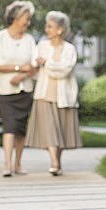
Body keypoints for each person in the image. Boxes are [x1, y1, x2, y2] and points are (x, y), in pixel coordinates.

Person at [0, 1, 38, 177]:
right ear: (15, 17)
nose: (28, 23)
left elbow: (35, 65)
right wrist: (18, 68)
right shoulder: (0, 37)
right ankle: (7, 166)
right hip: (4, 91)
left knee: (21, 127)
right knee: (10, 125)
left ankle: (18, 165)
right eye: (26, 18)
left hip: (24, 90)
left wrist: (22, 75)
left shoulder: (29, 40)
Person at [25, 11, 82, 175]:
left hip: (64, 96)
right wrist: (40, 65)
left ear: (59, 29)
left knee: (61, 131)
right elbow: (34, 64)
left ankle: (58, 163)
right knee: (50, 129)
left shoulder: (70, 49)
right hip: (44, 94)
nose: (46, 29)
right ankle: (55, 163)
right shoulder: (41, 46)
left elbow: (65, 69)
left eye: (49, 26)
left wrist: (46, 63)